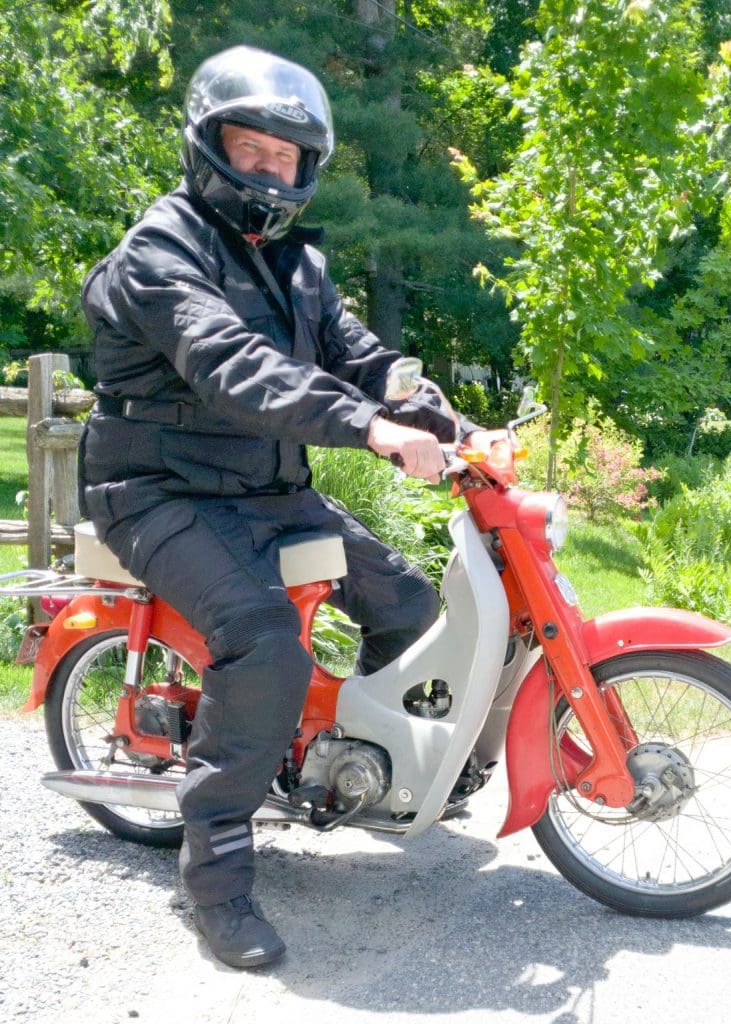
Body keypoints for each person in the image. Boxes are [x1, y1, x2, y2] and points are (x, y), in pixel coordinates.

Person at [78, 46, 493, 969]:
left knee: (411, 609)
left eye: (286, 156)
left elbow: (351, 350)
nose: (269, 169)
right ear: (208, 147)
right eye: (250, 148)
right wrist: (369, 428)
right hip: (155, 490)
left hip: (270, 492)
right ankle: (216, 882)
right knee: (264, 640)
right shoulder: (161, 248)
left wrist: (413, 394)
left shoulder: (297, 263)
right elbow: (233, 367)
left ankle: (347, 763)